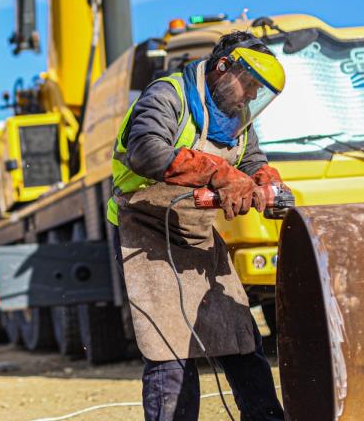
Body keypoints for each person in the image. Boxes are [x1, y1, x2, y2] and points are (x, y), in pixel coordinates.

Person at [106, 31, 288, 421]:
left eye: (260, 90)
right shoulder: (167, 96)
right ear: (223, 68)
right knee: (170, 349)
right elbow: (146, 152)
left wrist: (265, 179)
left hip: (196, 230)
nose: (253, 96)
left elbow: (251, 159)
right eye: (251, 85)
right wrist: (219, 173)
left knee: (241, 340)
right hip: (144, 229)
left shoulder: (237, 119)